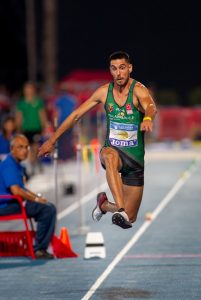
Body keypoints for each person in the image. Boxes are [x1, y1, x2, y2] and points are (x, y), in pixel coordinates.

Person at [38, 51, 157, 229]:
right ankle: (121, 209)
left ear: (130, 68)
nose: (119, 73)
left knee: (130, 218)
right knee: (109, 157)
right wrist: (52, 139)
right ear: (110, 70)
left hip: (135, 160)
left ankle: (104, 204)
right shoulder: (103, 92)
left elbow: (150, 105)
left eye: (122, 68)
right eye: (114, 68)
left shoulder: (138, 90)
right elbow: (76, 114)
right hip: (112, 150)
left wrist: (147, 119)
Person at [0, 134, 56, 258]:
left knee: (46, 206)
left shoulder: (16, 164)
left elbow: (22, 189)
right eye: (20, 147)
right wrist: (36, 199)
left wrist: (38, 197)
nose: (24, 150)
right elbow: (16, 191)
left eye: (26, 147)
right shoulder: (9, 164)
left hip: (13, 202)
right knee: (48, 209)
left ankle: (39, 247)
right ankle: (39, 249)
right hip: (6, 204)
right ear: (11, 148)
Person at [15, 82, 48, 175]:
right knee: (28, 148)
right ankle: (32, 165)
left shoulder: (38, 102)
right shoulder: (21, 103)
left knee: (35, 146)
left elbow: (42, 115)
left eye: (30, 88)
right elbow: (19, 116)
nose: (28, 91)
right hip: (26, 129)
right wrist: (18, 128)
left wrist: (44, 126)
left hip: (36, 128)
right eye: (26, 89)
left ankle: (36, 164)